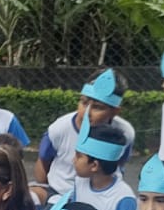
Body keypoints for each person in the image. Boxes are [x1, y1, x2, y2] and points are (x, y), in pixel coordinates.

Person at [36, 69, 134, 199]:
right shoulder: (59, 128)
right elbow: (43, 163)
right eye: (84, 102)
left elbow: (119, 164)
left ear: (115, 111)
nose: (86, 112)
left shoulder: (125, 132)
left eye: (97, 107)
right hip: (60, 194)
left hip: (104, 196)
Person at [71, 121, 137, 210]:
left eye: (78, 156)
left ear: (94, 165)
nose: (73, 160)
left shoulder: (123, 197)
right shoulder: (79, 183)